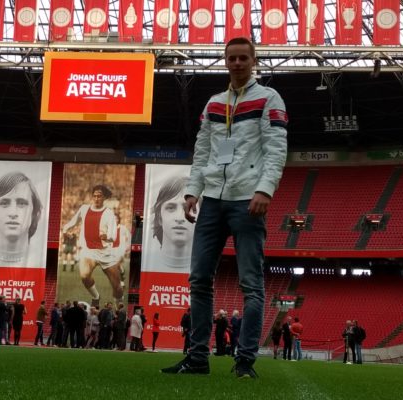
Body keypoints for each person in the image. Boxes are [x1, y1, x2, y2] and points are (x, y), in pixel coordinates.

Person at [161, 37, 288, 379]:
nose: (237, 63)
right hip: (213, 201)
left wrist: (265, 189)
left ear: (253, 60)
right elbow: (203, 151)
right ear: (225, 60)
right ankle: (198, 358)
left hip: (248, 199)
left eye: (243, 58)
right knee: (199, 278)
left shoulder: (269, 98)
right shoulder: (214, 103)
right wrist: (192, 193)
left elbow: (276, 148)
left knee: (251, 284)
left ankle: (244, 361)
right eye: (231, 58)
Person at [61, 185, 124, 306]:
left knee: (117, 287)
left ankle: (118, 305)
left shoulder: (109, 213)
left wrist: (108, 237)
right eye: (94, 196)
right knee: (84, 276)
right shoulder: (84, 209)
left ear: (104, 197)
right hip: (89, 251)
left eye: (99, 196)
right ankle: (96, 297)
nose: (96, 198)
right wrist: (65, 230)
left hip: (105, 253)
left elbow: (113, 234)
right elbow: (74, 221)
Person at [0, 172, 43, 266]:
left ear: (34, 213)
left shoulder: (40, 263)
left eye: (22, 203)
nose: (13, 213)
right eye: (4, 203)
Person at [151, 176, 194, 271]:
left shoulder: (208, 269)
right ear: (159, 217)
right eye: (170, 208)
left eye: (189, 208)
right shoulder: (149, 266)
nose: (180, 218)